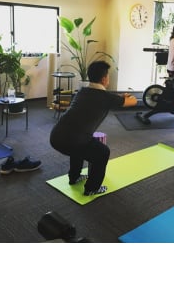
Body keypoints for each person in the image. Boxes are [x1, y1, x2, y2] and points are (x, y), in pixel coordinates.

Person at [50, 61, 137, 196]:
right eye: (108, 76)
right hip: (74, 140)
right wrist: (128, 96)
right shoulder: (106, 98)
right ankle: (92, 188)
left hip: (56, 136)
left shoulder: (82, 91)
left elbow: (101, 99)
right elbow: (133, 102)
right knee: (103, 153)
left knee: (77, 148)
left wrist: (120, 98)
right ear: (104, 79)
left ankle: (74, 177)